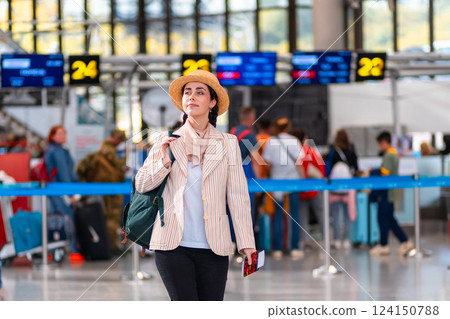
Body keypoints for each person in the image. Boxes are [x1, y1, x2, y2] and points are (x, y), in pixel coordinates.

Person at [135, 70, 256, 301]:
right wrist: (164, 162)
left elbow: (238, 198)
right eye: (187, 92)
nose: (191, 96)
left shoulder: (228, 143)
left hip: (215, 246)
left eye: (199, 92)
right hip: (172, 246)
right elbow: (141, 184)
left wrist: (246, 243)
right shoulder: (166, 141)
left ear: (212, 102)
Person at [262, 118, 305, 259]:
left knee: (278, 216)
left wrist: (272, 172)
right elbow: (299, 162)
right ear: (288, 127)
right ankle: (295, 247)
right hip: (294, 181)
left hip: (277, 182)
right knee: (295, 215)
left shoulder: (271, 142)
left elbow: (267, 164)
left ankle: (277, 249)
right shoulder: (294, 141)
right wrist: (304, 180)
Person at [369, 131, 413, 256]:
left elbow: (384, 174)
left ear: (383, 142)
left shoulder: (388, 155)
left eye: (379, 144)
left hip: (386, 192)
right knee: (389, 218)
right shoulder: (394, 154)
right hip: (391, 191)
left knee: (383, 218)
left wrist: (373, 172)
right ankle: (403, 241)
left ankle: (385, 245)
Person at [83, 129, 127, 252]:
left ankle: (111, 244)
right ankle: (111, 246)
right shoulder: (108, 148)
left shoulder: (104, 147)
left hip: (110, 185)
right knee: (112, 215)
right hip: (112, 186)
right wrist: (127, 157)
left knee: (110, 215)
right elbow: (118, 165)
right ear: (117, 139)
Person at [45, 125, 83, 261]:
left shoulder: (51, 149)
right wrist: (71, 192)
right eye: (59, 133)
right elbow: (64, 173)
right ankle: (73, 251)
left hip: (53, 190)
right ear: (52, 136)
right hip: (61, 190)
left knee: (55, 220)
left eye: (64, 133)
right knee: (68, 218)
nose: (63, 136)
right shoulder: (58, 152)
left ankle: (51, 250)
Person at [291, 128, 325, 250]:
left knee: (302, 216)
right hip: (314, 187)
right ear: (304, 138)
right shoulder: (310, 151)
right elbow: (320, 167)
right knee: (321, 214)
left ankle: (305, 241)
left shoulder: (291, 152)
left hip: (299, 189)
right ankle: (327, 239)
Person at [326, 129, 358, 250]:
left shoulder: (333, 152)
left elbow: (327, 169)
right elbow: (356, 169)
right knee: (347, 214)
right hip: (347, 188)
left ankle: (336, 239)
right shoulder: (351, 152)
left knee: (335, 215)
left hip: (334, 188)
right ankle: (346, 239)